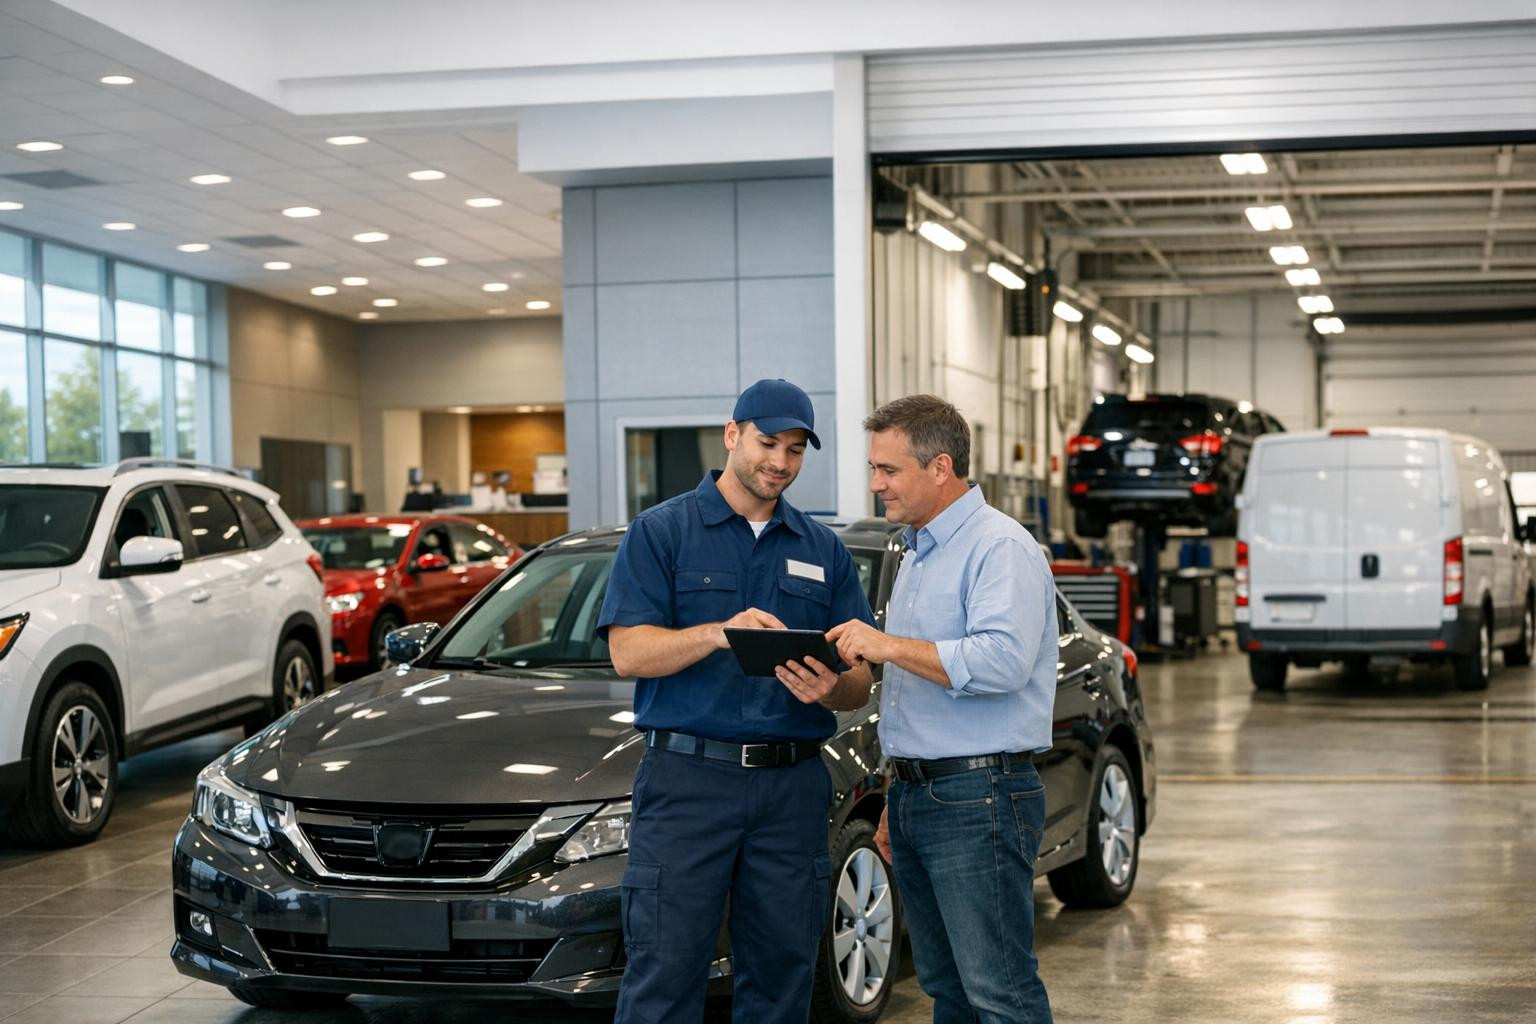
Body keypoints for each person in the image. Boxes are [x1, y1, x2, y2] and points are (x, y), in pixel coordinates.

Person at [597, 378, 877, 1024]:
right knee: (665, 970)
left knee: (781, 974)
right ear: (732, 435)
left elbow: (860, 679)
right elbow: (629, 653)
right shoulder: (661, 533)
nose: (780, 462)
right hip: (688, 782)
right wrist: (717, 634)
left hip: (792, 789)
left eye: (796, 449)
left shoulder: (822, 550)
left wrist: (833, 688)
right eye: (767, 442)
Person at [828, 394, 1057, 1024]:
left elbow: (1003, 662)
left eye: (888, 470)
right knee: (945, 987)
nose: (876, 484)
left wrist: (885, 645)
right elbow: (912, 693)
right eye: (874, 469)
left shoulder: (998, 547)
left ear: (940, 467)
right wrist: (895, 799)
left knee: (998, 991)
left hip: (979, 795)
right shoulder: (919, 551)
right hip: (921, 798)